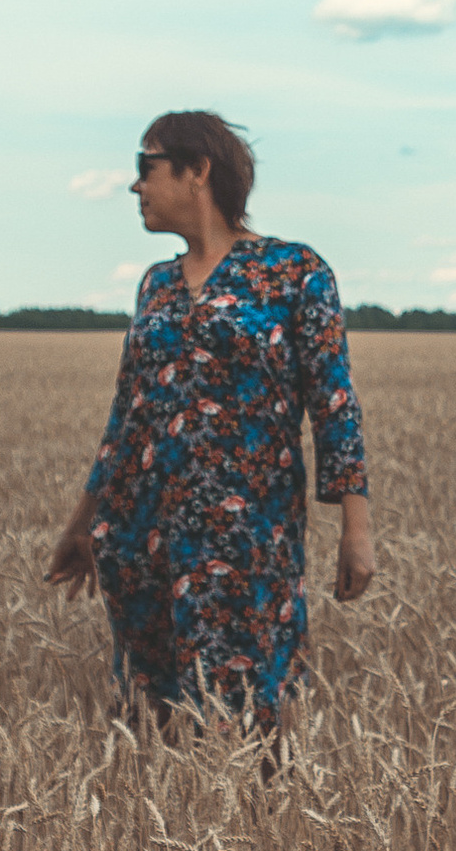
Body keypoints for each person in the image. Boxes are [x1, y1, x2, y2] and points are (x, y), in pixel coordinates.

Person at [46, 109, 373, 727]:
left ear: (198, 170)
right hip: (139, 537)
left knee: (249, 718)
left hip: (247, 539)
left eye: (147, 168)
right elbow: (127, 416)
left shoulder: (293, 272)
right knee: (151, 718)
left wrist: (356, 528)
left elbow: (334, 404)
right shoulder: (157, 285)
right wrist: (82, 524)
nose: (135, 186)